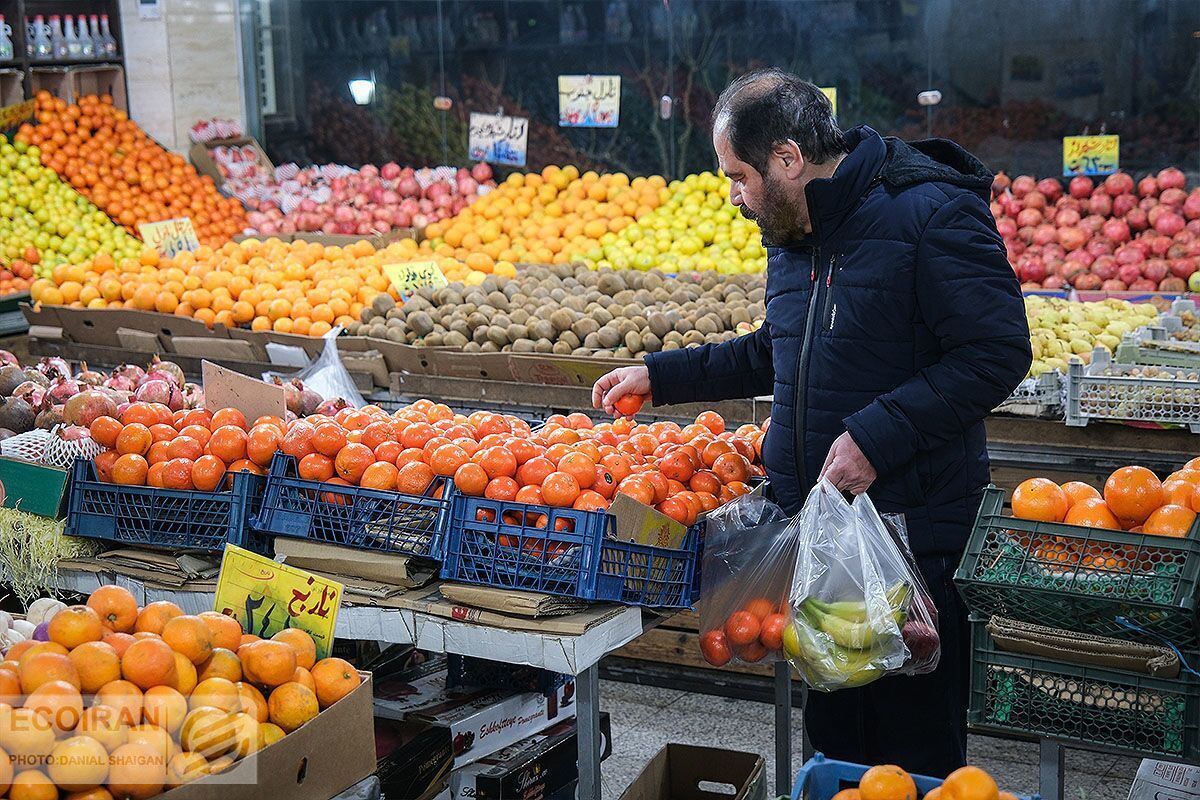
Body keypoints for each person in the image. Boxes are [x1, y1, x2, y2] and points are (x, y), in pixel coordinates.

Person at [591, 68, 1031, 777]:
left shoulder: (931, 214)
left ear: (789, 159)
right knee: (835, 758)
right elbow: (780, 349)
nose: (735, 197)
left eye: (739, 176)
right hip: (824, 542)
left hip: (909, 543)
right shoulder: (795, 234)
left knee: (910, 764)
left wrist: (875, 436)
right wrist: (662, 375)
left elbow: (997, 351)